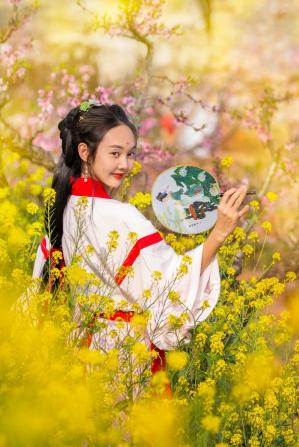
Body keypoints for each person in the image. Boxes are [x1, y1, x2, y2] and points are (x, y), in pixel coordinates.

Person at [32, 100, 249, 396]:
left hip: (85, 350)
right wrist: (220, 233)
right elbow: (169, 286)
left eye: (130, 154)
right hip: (127, 356)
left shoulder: (61, 210)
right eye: (114, 153)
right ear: (85, 152)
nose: (125, 164)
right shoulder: (120, 216)